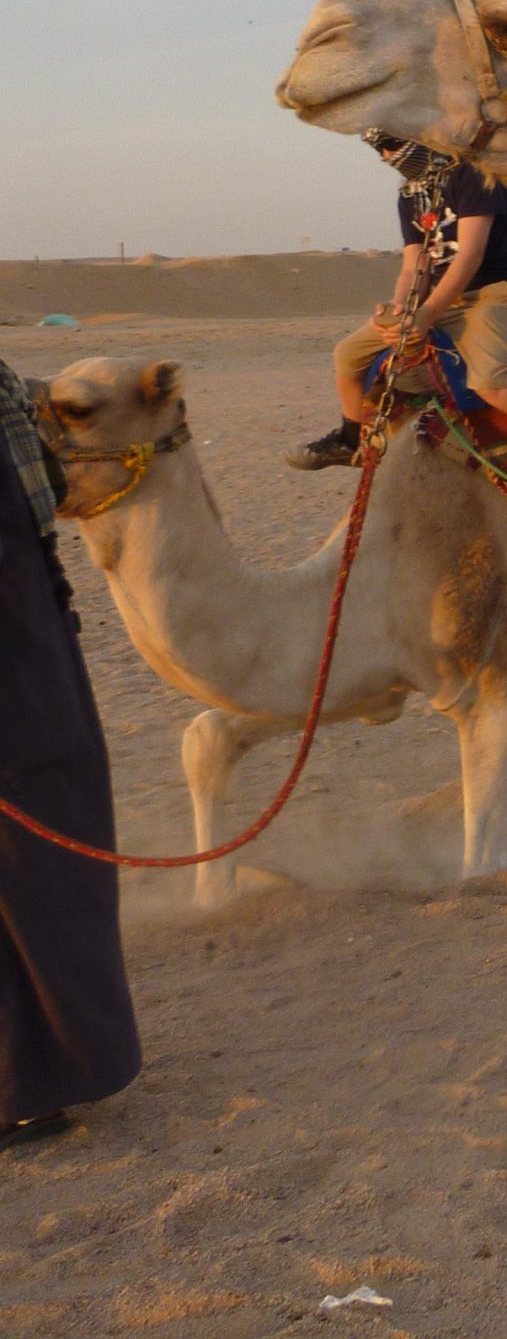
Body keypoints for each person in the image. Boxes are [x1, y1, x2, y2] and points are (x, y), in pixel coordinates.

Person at [289, 133, 507, 538]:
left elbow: (469, 256)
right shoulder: (412, 194)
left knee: (492, 380)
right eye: (378, 149)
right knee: (348, 354)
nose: (388, 155)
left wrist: (424, 315)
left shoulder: (472, 175)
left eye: (391, 141)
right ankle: (352, 437)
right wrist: (400, 311)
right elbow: (414, 265)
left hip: (499, 292)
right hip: (445, 300)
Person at [0, 358, 143, 1149]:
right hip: (27, 652)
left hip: (24, 639)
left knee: (34, 853)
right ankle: (36, 1077)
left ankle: (31, 1079)